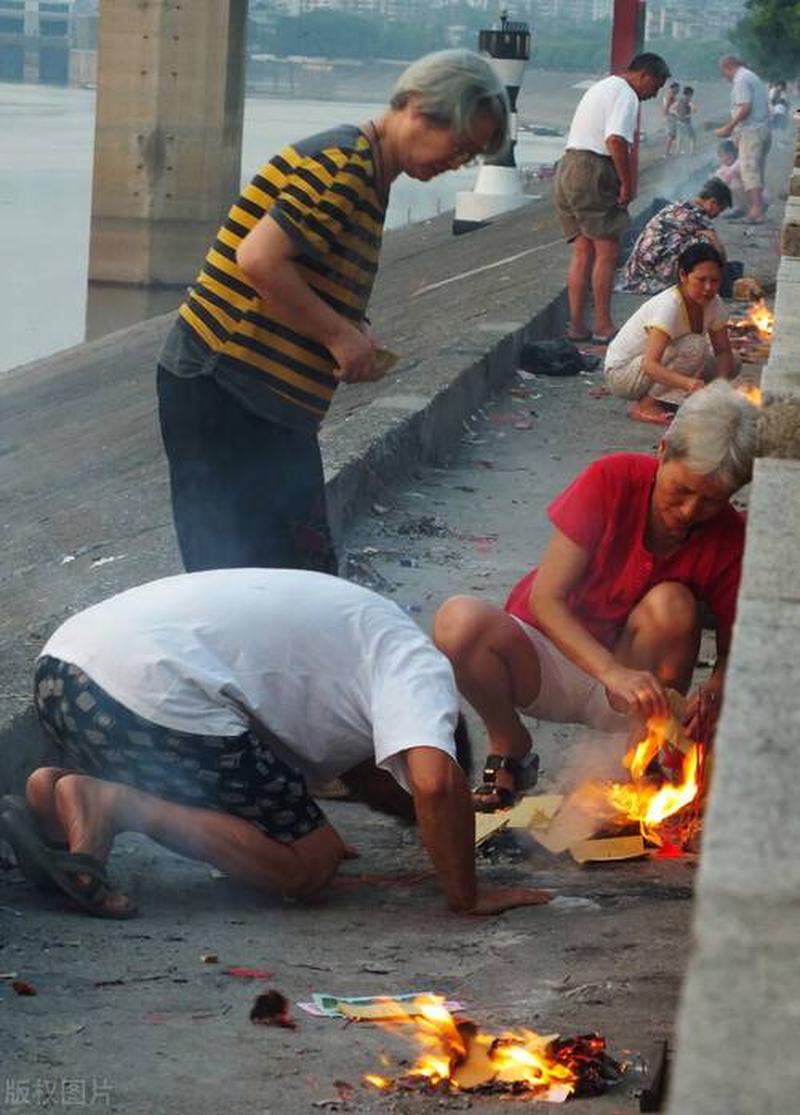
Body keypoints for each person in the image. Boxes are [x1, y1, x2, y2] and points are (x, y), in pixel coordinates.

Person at [0, 570, 550, 919]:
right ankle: (114, 804)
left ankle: (53, 801)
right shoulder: (418, 672)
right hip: (149, 687)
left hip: (64, 674)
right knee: (310, 864)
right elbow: (434, 784)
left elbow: (268, 778)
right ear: (425, 731)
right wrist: (467, 895)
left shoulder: (362, 638)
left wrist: (294, 817)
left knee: (279, 817)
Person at [156, 51, 509, 575]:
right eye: (458, 145)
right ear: (415, 108)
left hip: (261, 402)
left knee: (289, 570)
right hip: (225, 388)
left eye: (469, 156)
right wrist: (340, 335)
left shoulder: (368, 171)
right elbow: (258, 258)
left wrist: (348, 326)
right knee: (243, 573)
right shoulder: (344, 165)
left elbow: (305, 269)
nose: (456, 163)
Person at [433, 381, 757, 811]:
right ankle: (509, 741)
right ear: (662, 452)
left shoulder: (730, 537)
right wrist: (610, 671)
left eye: (712, 501)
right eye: (681, 490)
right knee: (458, 621)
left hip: (639, 693)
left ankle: (638, 758)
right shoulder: (612, 479)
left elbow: (736, 653)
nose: (689, 512)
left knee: (673, 603)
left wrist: (716, 689)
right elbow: (546, 600)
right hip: (547, 661)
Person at [555, 52, 670, 346]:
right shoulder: (626, 95)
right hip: (593, 169)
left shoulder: (604, 86)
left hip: (568, 166)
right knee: (606, 252)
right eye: (655, 87)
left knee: (582, 253)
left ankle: (578, 326)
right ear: (644, 75)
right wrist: (627, 183)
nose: (653, 95)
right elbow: (615, 140)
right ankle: (604, 326)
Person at [607, 242, 737, 426]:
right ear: (683, 275)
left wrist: (720, 389)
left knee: (734, 362)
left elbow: (723, 351)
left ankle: (673, 398)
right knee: (695, 346)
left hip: (660, 364)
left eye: (714, 281)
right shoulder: (669, 306)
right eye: (701, 280)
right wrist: (689, 384)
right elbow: (649, 365)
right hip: (624, 375)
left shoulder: (714, 303)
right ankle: (646, 405)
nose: (708, 287)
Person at [621, 178, 732, 295]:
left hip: (634, 273)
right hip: (652, 277)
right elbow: (720, 259)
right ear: (712, 202)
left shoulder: (676, 206)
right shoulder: (699, 218)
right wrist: (715, 240)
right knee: (705, 244)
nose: (717, 215)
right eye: (720, 210)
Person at [716, 55, 771, 224]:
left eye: (723, 72)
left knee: (749, 171)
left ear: (728, 67)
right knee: (753, 171)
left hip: (752, 131)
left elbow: (745, 107)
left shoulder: (741, 79)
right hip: (761, 129)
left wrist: (729, 127)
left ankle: (756, 211)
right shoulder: (751, 76)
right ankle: (748, 206)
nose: (724, 77)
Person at [713, 140, 747, 218]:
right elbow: (719, 174)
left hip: (754, 198)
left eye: (722, 156)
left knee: (731, 185)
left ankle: (744, 208)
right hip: (744, 196)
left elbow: (729, 174)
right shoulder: (726, 166)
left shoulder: (739, 163)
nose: (721, 159)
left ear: (730, 155)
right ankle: (740, 207)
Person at [674, 85, 696, 155]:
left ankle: (677, 152)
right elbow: (695, 108)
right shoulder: (688, 101)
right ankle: (691, 152)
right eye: (691, 94)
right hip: (686, 122)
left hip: (678, 121)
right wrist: (689, 115)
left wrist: (677, 114)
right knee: (692, 137)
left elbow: (672, 108)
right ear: (689, 94)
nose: (692, 96)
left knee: (680, 138)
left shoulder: (680, 100)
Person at [662, 80, 680, 158]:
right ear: (673, 88)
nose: (678, 90)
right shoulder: (670, 95)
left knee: (673, 135)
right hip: (671, 117)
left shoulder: (671, 95)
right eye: (677, 89)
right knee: (671, 135)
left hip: (672, 116)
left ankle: (672, 151)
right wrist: (664, 117)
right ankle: (666, 153)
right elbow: (666, 107)